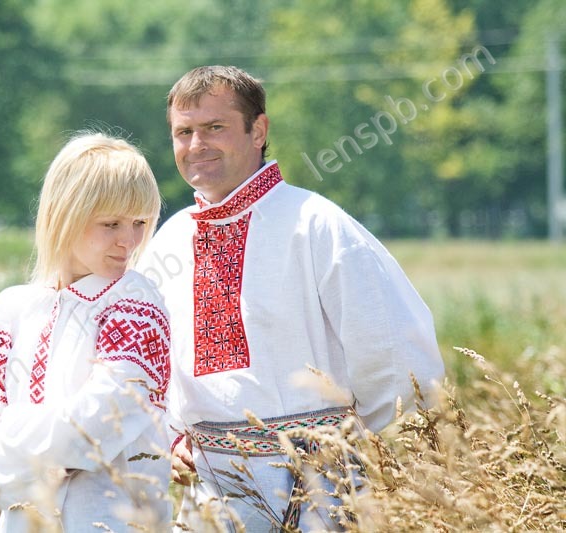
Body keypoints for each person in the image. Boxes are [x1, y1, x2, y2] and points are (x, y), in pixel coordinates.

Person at [136, 65, 445, 531]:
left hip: (315, 488)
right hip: (209, 494)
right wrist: (168, 438)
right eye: (184, 132)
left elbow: (392, 348)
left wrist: (358, 446)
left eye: (214, 127)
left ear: (258, 129)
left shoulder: (315, 224)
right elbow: (146, 365)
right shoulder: (167, 242)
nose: (197, 145)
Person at [0, 132, 173, 532]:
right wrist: (44, 473)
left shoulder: (136, 300)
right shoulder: (13, 308)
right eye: (111, 223)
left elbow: (96, 426)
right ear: (65, 214)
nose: (129, 240)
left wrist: (12, 425)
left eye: (139, 222)